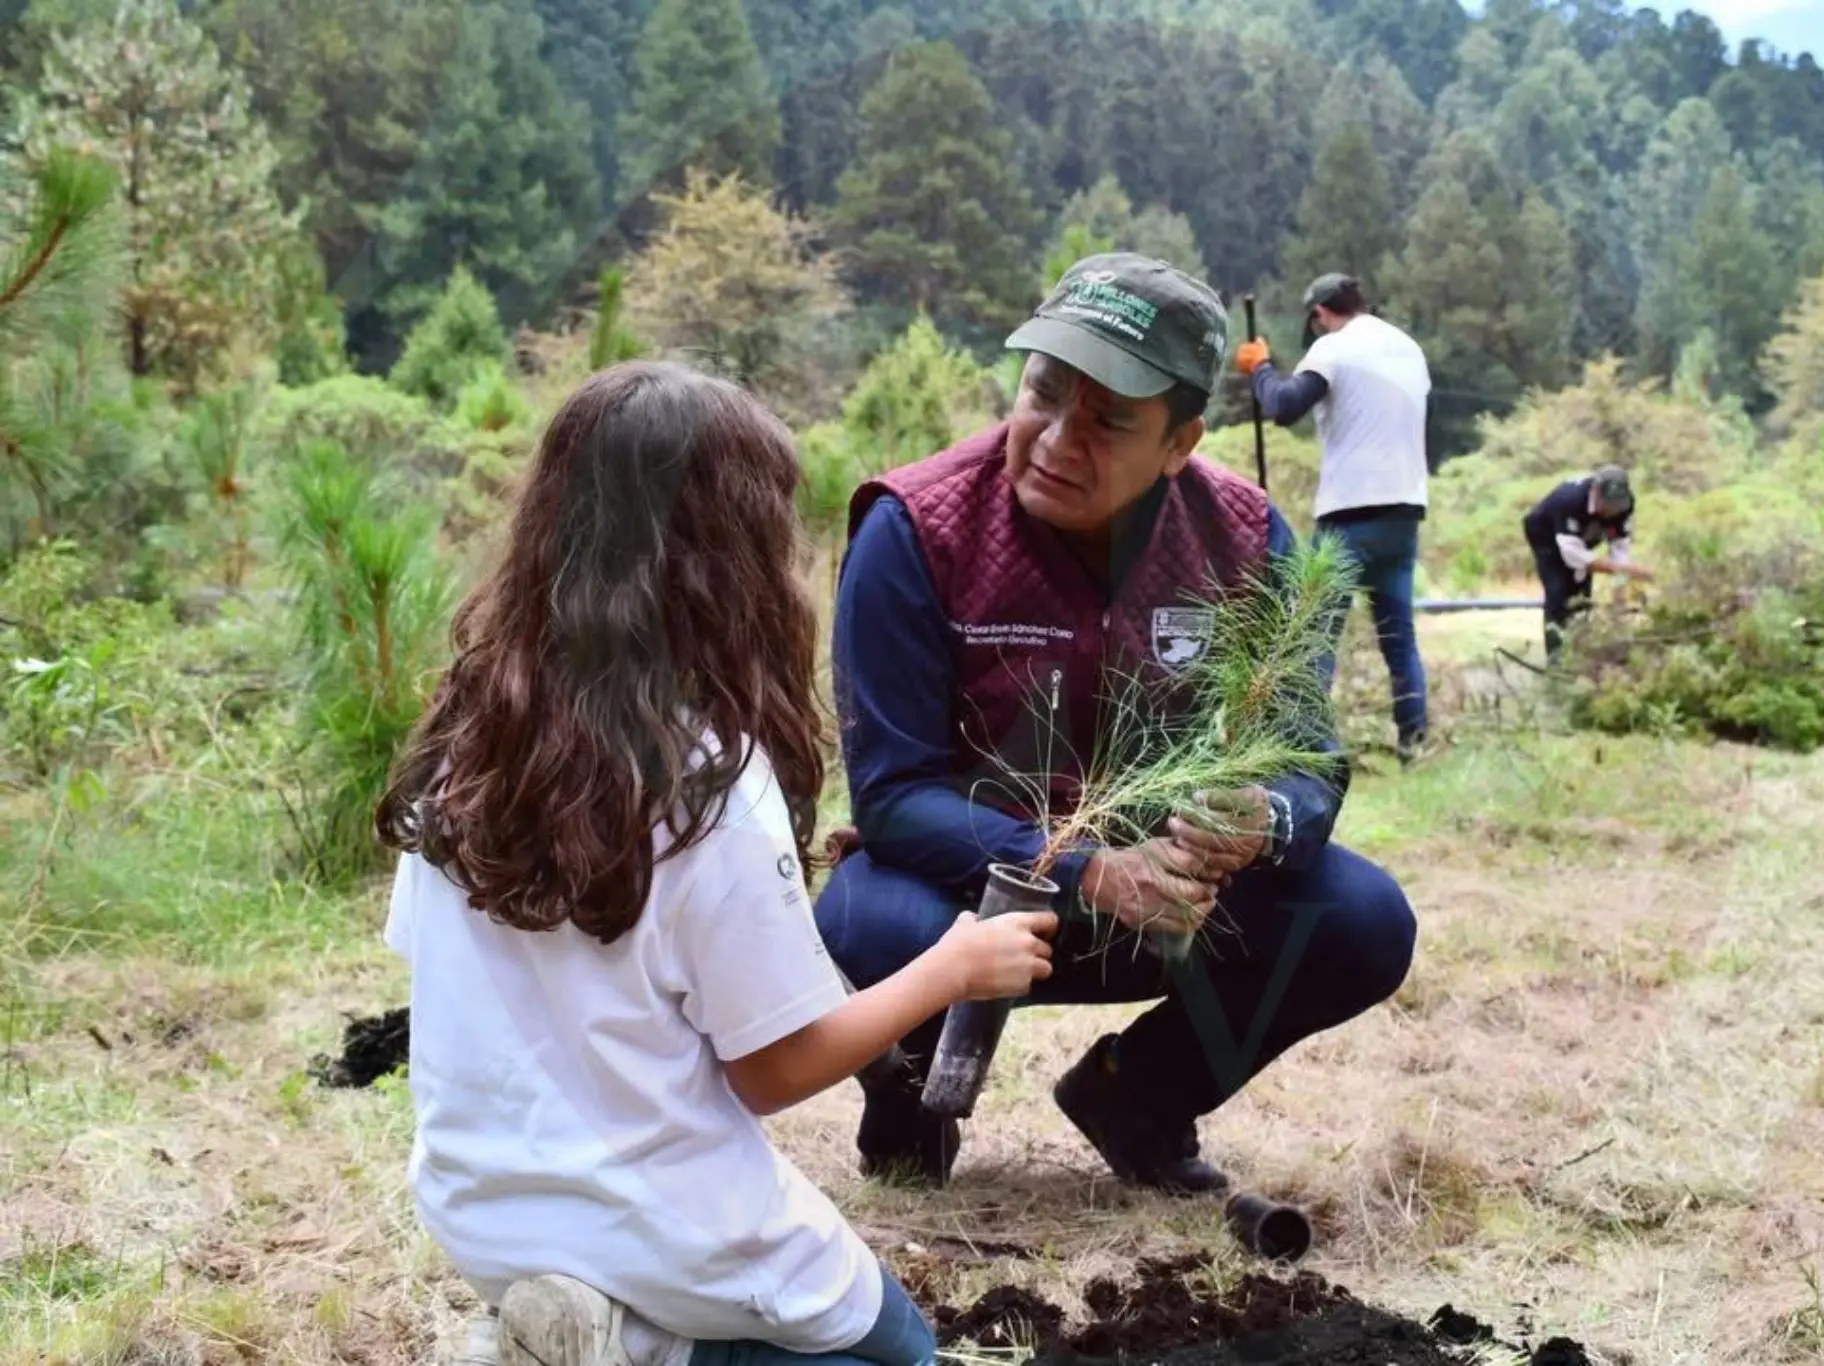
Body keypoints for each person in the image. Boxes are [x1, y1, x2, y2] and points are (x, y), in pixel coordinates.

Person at [374, 362, 1060, 1366]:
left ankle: (587, 1337)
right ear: (729, 562)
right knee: (902, 1348)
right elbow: (771, 1071)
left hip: (486, 1216)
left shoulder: (468, 737)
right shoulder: (704, 782)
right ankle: (642, 1353)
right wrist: (950, 968)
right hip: (659, 1223)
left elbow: (446, 974)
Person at [816, 253, 1418, 1194]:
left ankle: (1135, 1096)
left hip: (1171, 903)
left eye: (1108, 421)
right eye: (1042, 395)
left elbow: (1311, 760)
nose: (1056, 439)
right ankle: (910, 1104)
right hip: (973, 891)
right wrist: (1086, 870)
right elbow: (893, 798)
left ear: (1180, 442)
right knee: (870, 919)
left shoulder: (1248, 540)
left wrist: (1265, 818)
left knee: (1361, 920)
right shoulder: (916, 530)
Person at [1234, 273, 1433, 758]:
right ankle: (1415, 737)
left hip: (1350, 516)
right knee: (1397, 634)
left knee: (1315, 633)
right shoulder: (1408, 348)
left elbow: (1283, 406)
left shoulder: (1335, 347)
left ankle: (1310, 745)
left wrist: (1260, 367)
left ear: (1321, 314)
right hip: (1405, 513)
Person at [1522, 465, 1652, 660]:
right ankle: (1556, 660)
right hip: (1546, 536)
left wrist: (1619, 600)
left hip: (1583, 536)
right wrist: (1628, 570)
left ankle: (1580, 655)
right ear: (1596, 492)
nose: (1612, 511)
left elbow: (1620, 554)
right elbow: (1573, 556)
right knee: (1558, 591)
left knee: (1582, 595)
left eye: (1617, 506)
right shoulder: (1570, 500)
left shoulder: (1624, 506)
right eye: (1608, 504)